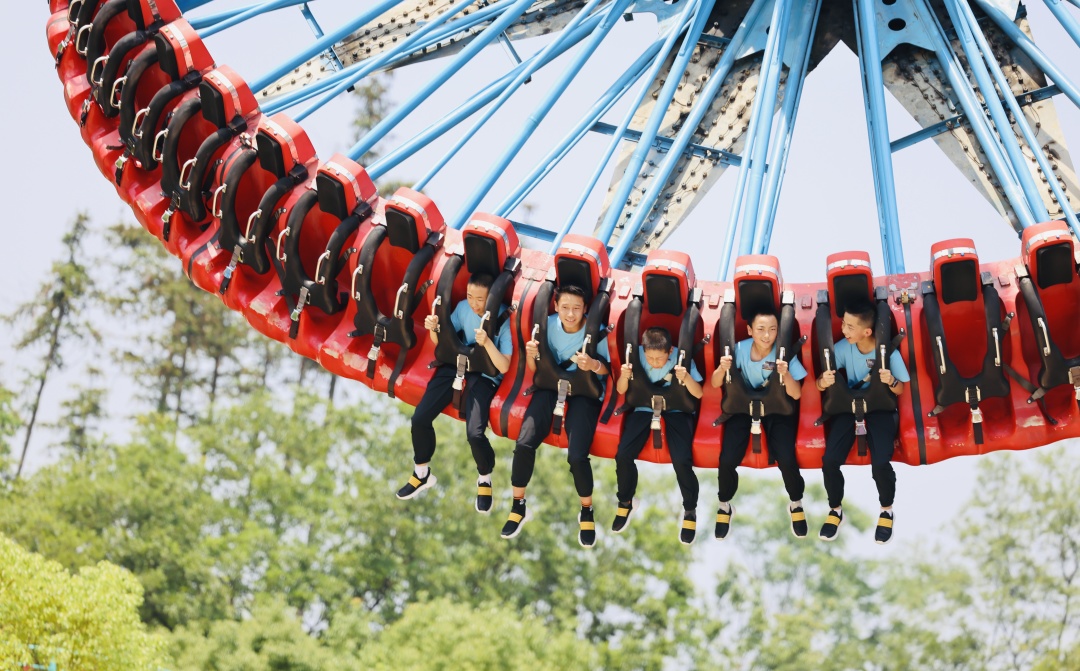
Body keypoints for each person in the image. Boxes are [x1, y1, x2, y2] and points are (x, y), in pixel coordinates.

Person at [500, 284, 610, 547]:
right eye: (565, 308)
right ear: (556, 306)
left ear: (585, 309)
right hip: (550, 385)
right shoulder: (547, 325)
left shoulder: (595, 331)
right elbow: (534, 368)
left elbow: (606, 369)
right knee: (524, 443)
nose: (570, 314)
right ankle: (518, 505)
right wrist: (532, 355)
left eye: (576, 308)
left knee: (577, 456)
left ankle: (586, 509)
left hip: (583, 391)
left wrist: (592, 364)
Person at [396, 273, 512, 514]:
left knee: (475, 434)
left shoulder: (503, 319)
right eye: (470, 296)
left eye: (480, 299)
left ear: (491, 298)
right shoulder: (462, 308)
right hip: (458, 364)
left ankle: (484, 478)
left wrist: (488, 342)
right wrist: (434, 328)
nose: (474, 304)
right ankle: (421, 473)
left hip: (486, 375)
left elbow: (503, 366)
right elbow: (440, 341)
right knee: (419, 419)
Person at [815, 298, 908, 544]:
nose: (843, 330)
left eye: (849, 327)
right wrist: (823, 382)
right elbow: (819, 383)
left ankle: (886, 510)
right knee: (829, 462)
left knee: (880, 464)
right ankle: (835, 510)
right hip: (849, 407)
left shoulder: (887, 352)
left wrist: (891, 381)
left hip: (879, 408)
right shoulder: (843, 348)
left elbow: (901, 389)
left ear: (867, 331)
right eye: (843, 324)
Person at [712, 311, 808, 539]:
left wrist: (786, 374)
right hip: (743, 407)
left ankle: (796, 502)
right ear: (750, 330)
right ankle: (724, 504)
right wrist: (722, 368)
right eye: (761, 330)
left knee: (786, 457)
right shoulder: (738, 350)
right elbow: (715, 383)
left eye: (773, 330)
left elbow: (796, 394)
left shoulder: (783, 353)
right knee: (727, 459)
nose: (767, 336)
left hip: (776, 407)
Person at [612, 327, 703, 544]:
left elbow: (698, 393)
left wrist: (686, 377)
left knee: (681, 460)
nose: (654, 363)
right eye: (650, 358)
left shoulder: (682, 358)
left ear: (670, 351)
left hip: (676, 409)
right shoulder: (636, 357)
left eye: (659, 359)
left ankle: (690, 509)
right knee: (623, 455)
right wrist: (624, 376)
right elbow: (621, 390)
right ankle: (625, 501)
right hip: (644, 407)